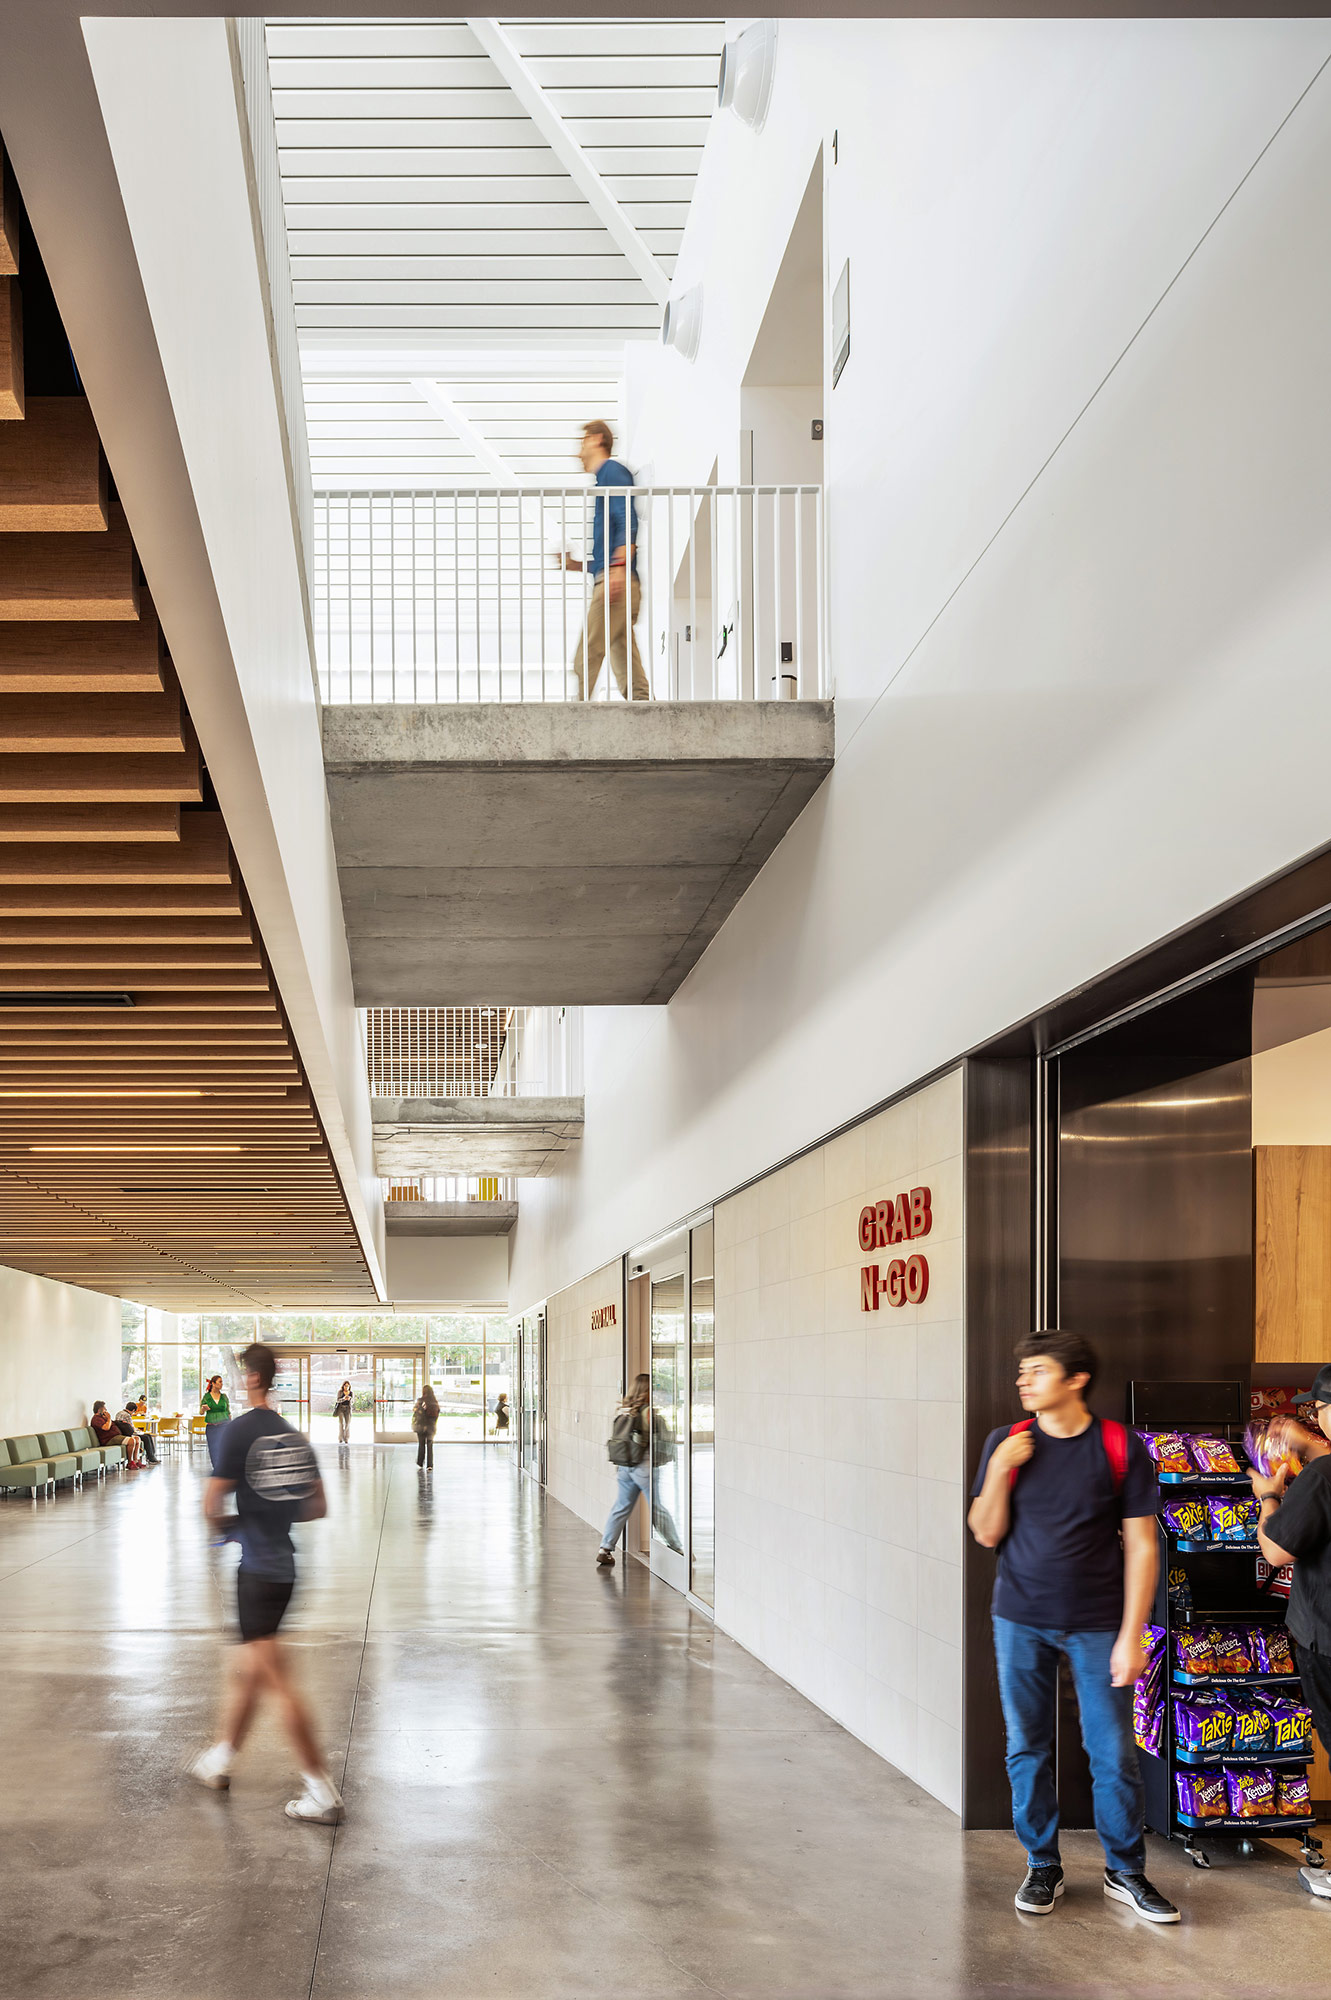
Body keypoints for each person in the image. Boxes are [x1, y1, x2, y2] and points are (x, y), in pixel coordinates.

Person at [968, 1330, 1178, 1924]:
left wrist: (1133, 1635)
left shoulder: (1119, 1446)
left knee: (1113, 1754)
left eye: (1036, 1371)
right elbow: (984, 1531)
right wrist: (1002, 1472)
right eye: (1022, 1372)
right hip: (1019, 1620)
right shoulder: (1006, 1442)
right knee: (1026, 1748)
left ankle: (1125, 1872)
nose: (1023, 1381)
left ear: (1076, 1379)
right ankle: (1043, 1864)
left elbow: (1142, 1546)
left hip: (1097, 1624)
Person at [188, 1342, 343, 1824]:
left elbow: (211, 1504)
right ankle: (220, 1759)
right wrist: (272, 1513)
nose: (238, 1382)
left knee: (277, 1679)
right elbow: (317, 1507)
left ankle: (321, 1790)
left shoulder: (240, 1433)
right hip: (286, 1571)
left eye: (241, 1375)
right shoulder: (293, 1435)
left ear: (252, 1378)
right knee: (250, 1669)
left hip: (256, 1574)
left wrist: (234, 1528)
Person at [1251, 1363, 1331, 1901]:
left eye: (1320, 1408)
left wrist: (1267, 1495)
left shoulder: (1323, 1477)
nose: (1316, 1417)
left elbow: (1276, 1551)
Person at [560, 420, 649, 702]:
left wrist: (619, 569)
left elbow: (626, 517)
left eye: (581, 442)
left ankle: (577, 711)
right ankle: (643, 705)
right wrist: (579, 565)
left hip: (616, 580)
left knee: (588, 650)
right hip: (614, 576)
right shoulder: (604, 480)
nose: (578, 452)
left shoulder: (612, 471)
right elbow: (610, 545)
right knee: (622, 650)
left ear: (596, 439)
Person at [595, 1373, 651, 1569]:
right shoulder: (646, 1412)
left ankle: (605, 1549)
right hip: (642, 1466)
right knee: (658, 1508)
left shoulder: (624, 1410)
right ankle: (678, 1549)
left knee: (620, 1507)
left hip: (624, 1467)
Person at [92, 1399, 141, 1465]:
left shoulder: (103, 1417)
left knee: (137, 1439)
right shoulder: (96, 1419)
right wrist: (109, 1418)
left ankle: (136, 1460)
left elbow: (111, 1423)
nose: (106, 1410)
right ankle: (130, 1462)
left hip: (115, 1436)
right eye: (104, 1408)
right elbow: (106, 1428)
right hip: (108, 1439)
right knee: (131, 1441)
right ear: (99, 1410)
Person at [200, 1375, 231, 1471]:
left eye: (222, 1382)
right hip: (212, 1426)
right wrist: (203, 1408)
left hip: (224, 1425)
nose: (222, 1384)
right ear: (213, 1383)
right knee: (213, 1447)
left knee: (223, 1446)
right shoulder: (207, 1397)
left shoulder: (224, 1397)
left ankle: (223, 1466)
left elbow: (228, 1411)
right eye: (220, 1382)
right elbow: (201, 1412)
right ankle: (216, 1467)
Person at [121, 1397, 159, 1464]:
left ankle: (151, 1456)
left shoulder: (120, 1413)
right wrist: (138, 1430)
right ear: (133, 1410)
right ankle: (151, 1457)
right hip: (129, 1434)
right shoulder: (127, 1415)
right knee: (147, 1437)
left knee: (147, 1435)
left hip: (123, 1433)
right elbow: (131, 1428)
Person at [412, 1383, 439, 1470]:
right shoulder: (434, 1402)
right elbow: (437, 1413)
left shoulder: (421, 1400)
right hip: (431, 1427)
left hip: (421, 1426)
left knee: (422, 1444)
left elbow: (415, 1410)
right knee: (430, 1445)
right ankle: (430, 1464)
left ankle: (420, 1462)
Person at [334, 1380, 353, 1445]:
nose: (346, 1387)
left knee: (347, 1423)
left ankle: (346, 1438)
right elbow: (337, 1400)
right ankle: (340, 1438)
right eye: (345, 1386)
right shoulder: (340, 1392)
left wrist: (350, 1399)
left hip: (348, 1409)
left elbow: (353, 1401)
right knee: (341, 1423)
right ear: (343, 1386)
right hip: (341, 1409)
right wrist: (344, 1398)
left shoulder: (351, 1393)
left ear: (349, 1386)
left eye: (348, 1386)